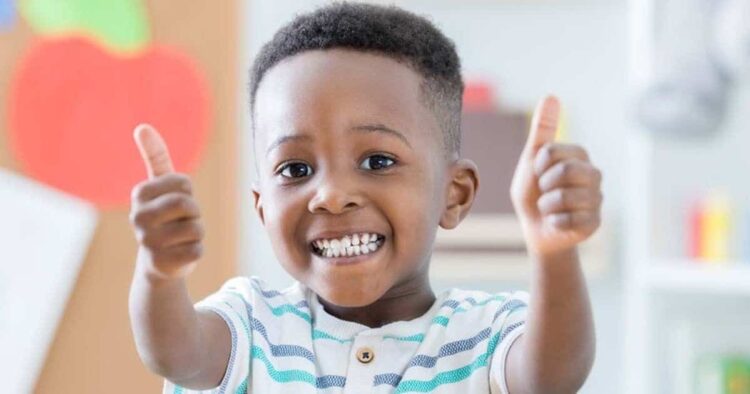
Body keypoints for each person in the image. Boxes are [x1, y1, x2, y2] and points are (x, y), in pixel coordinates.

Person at [128, 3, 602, 393]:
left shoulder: (486, 332)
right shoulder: (252, 324)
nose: (331, 196)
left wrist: (555, 253)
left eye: (377, 161)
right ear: (262, 208)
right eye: (295, 169)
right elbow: (176, 353)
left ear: (453, 195)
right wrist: (158, 273)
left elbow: (552, 376)